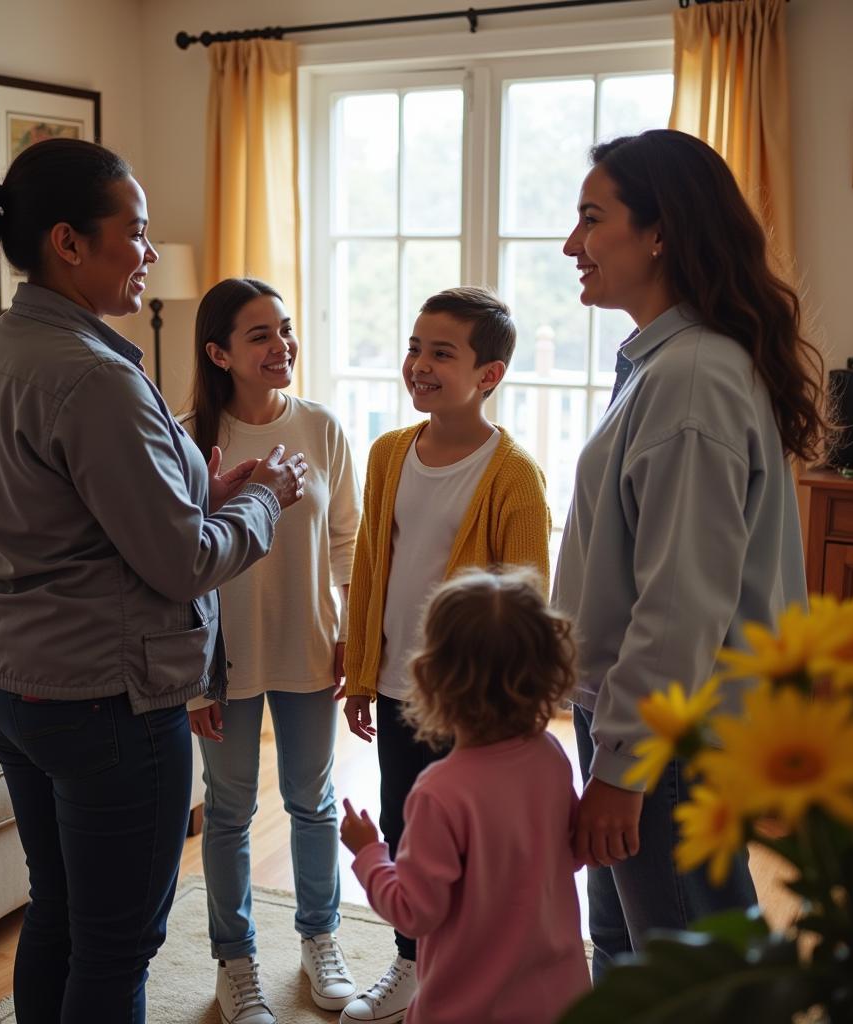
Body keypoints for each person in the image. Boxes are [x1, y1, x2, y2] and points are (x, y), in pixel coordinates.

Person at [0, 138, 308, 1024]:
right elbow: (181, 561)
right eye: (134, 234)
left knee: (58, 913)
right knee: (118, 945)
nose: (147, 253)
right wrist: (265, 503)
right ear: (68, 242)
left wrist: (198, 489)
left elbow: (56, 509)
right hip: (101, 697)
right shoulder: (95, 376)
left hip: (4, 679)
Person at [552, 128, 826, 979]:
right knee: (633, 954)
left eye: (592, 220)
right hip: (642, 720)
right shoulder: (665, 363)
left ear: (659, 231)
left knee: (690, 976)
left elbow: (680, 604)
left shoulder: (692, 378)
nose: (572, 245)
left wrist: (624, 769)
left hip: (672, 733)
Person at [340, 287, 551, 1023]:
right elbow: (372, 567)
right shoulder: (388, 452)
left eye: (441, 352)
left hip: (474, 700)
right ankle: (410, 963)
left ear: (487, 374)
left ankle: (479, 966)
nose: (419, 364)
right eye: (414, 346)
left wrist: (515, 705)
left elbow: (525, 603)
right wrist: (362, 672)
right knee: (405, 823)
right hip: (402, 685)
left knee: (477, 838)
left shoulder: (513, 475)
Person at [184, 277, 362, 1023]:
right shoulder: (188, 438)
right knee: (227, 813)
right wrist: (192, 682)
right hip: (221, 661)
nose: (281, 345)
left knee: (312, 802)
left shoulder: (320, 427)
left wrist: (352, 627)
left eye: (284, 329)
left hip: (308, 648)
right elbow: (175, 566)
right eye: (260, 335)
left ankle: (321, 940)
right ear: (219, 352)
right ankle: (236, 961)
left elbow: (348, 538)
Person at [340, 568, 591, 1024]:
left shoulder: (440, 793)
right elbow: (570, 856)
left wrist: (368, 854)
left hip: (465, 1005)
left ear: (431, 677)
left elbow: (413, 911)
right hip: (558, 995)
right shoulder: (551, 757)